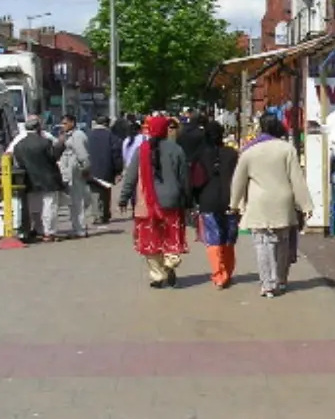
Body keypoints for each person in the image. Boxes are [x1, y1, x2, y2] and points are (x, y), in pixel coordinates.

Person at [230, 113, 312, 298]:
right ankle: (281, 280)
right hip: (283, 202)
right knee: (282, 242)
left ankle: (267, 284)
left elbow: (238, 181)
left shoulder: (249, 151)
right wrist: (306, 205)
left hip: (259, 203)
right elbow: (296, 179)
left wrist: (234, 204)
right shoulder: (286, 149)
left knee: (262, 244)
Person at [118, 116, 191, 288]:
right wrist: (188, 200)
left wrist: (123, 198)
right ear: (166, 130)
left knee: (152, 239)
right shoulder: (177, 149)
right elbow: (184, 178)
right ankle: (170, 263)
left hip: (147, 203)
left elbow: (130, 177)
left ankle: (157, 276)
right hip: (172, 201)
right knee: (171, 236)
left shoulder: (141, 150)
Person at [196, 121, 241, 289]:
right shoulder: (232, 154)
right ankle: (228, 272)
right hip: (230, 199)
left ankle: (218, 274)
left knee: (213, 238)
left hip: (207, 200)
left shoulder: (200, 154)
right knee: (229, 238)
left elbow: (195, 180)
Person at [12, 116, 66, 242]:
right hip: (48, 178)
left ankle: (38, 229)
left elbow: (18, 162)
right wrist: (61, 144)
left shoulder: (19, 145)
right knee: (49, 206)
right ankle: (49, 232)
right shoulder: (44, 142)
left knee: (35, 207)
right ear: (38, 127)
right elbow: (53, 157)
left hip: (30, 179)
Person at [56, 114, 91, 238]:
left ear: (72, 123)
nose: (63, 126)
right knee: (74, 202)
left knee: (78, 201)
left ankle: (80, 229)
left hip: (76, 171)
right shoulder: (68, 136)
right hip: (69, 171)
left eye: (65, 123)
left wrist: (85, 168)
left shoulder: (78, 136)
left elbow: (82, 154)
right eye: (62, 123)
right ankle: (77, 227)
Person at [86, 116, 123, 228]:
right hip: (107, 168)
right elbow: (116, 155)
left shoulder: (88, 135)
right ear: (107, 124)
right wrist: (118, 170)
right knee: (106, 190)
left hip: (91, 168)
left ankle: (98, 215)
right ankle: (105, 214)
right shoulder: (112, 137)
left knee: (94, 192)